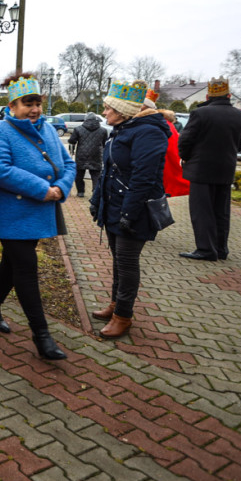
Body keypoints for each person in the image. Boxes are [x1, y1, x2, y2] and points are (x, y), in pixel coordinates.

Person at [0, 73, 76, 359]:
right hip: (11, 214)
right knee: (26, 266)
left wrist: (60, 188)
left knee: (12, 263)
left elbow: (69, 163)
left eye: (37, 102)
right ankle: (42, 336)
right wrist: (43, 189)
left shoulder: (47, 130)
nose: (34, 109)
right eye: (27, 103)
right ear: (12, 105)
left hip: (39, 209)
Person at [89, 80, 169, 339]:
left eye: (108, 109)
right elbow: (108, 172)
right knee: (118, 261)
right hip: (115, 207)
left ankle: (124, 315)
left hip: (135, 211)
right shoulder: (122, 129)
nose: (104, 113)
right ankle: (115, 306)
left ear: (122, 111)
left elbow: (143, 179)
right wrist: (96, 201)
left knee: (126, 263)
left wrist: (128, 214)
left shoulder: (148, 132)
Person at [177, 77, 241, 262]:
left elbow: (185, 140)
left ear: (209, 95)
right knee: (221, 211)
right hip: (226, 169)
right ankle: (220, 249)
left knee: (202, 211)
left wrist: (185, 157)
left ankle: (206, 249)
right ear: (229, 95)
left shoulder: (200, 113)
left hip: (201, 169)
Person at [68, 113, 107, 199]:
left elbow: (72, 141)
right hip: (96, 155)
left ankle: (81, 191)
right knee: (96, 175)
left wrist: (71, 142)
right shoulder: (103, 130)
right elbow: (104, 143)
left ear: (85, 120)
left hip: (81, 155)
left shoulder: (78, 129)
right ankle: (95, 192)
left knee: (79, 175)